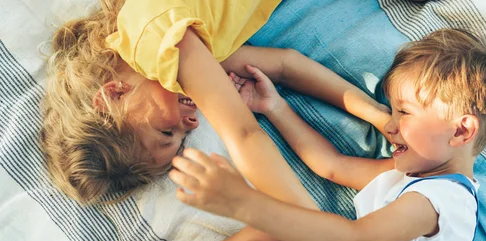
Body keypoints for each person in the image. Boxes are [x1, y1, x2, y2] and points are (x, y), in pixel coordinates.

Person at [102, 28, 486, 241]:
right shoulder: (408, 177)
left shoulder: (445, 201)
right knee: (271, 233)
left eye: (404, 113)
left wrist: (242, 201)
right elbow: (329, 165)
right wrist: (275, 107)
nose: (391, 126)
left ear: (461, 132)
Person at [40, 0, 388, 204]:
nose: (191, 124)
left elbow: (245, 135)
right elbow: (285, 65)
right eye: (180, 139)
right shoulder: (182, 61)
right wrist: (378, 116)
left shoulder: (153, 39)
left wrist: (318, 234)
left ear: (114, 94)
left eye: (165, 130)